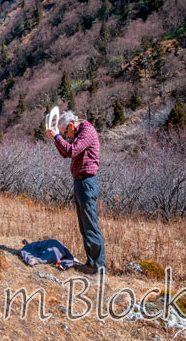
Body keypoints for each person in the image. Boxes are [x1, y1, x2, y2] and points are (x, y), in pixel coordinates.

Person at [45, 110, 106, 274]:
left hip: (87, 182)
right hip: (80, 182)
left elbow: (71, 150)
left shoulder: (87, 131)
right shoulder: (79, 133)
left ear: (71, 125)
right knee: (84, 226)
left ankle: (99, 268)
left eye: (66, 132)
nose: (67, 136)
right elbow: (66, 153)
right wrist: (56, 139)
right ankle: (91, 263)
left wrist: (57, 137)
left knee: (91, 226)